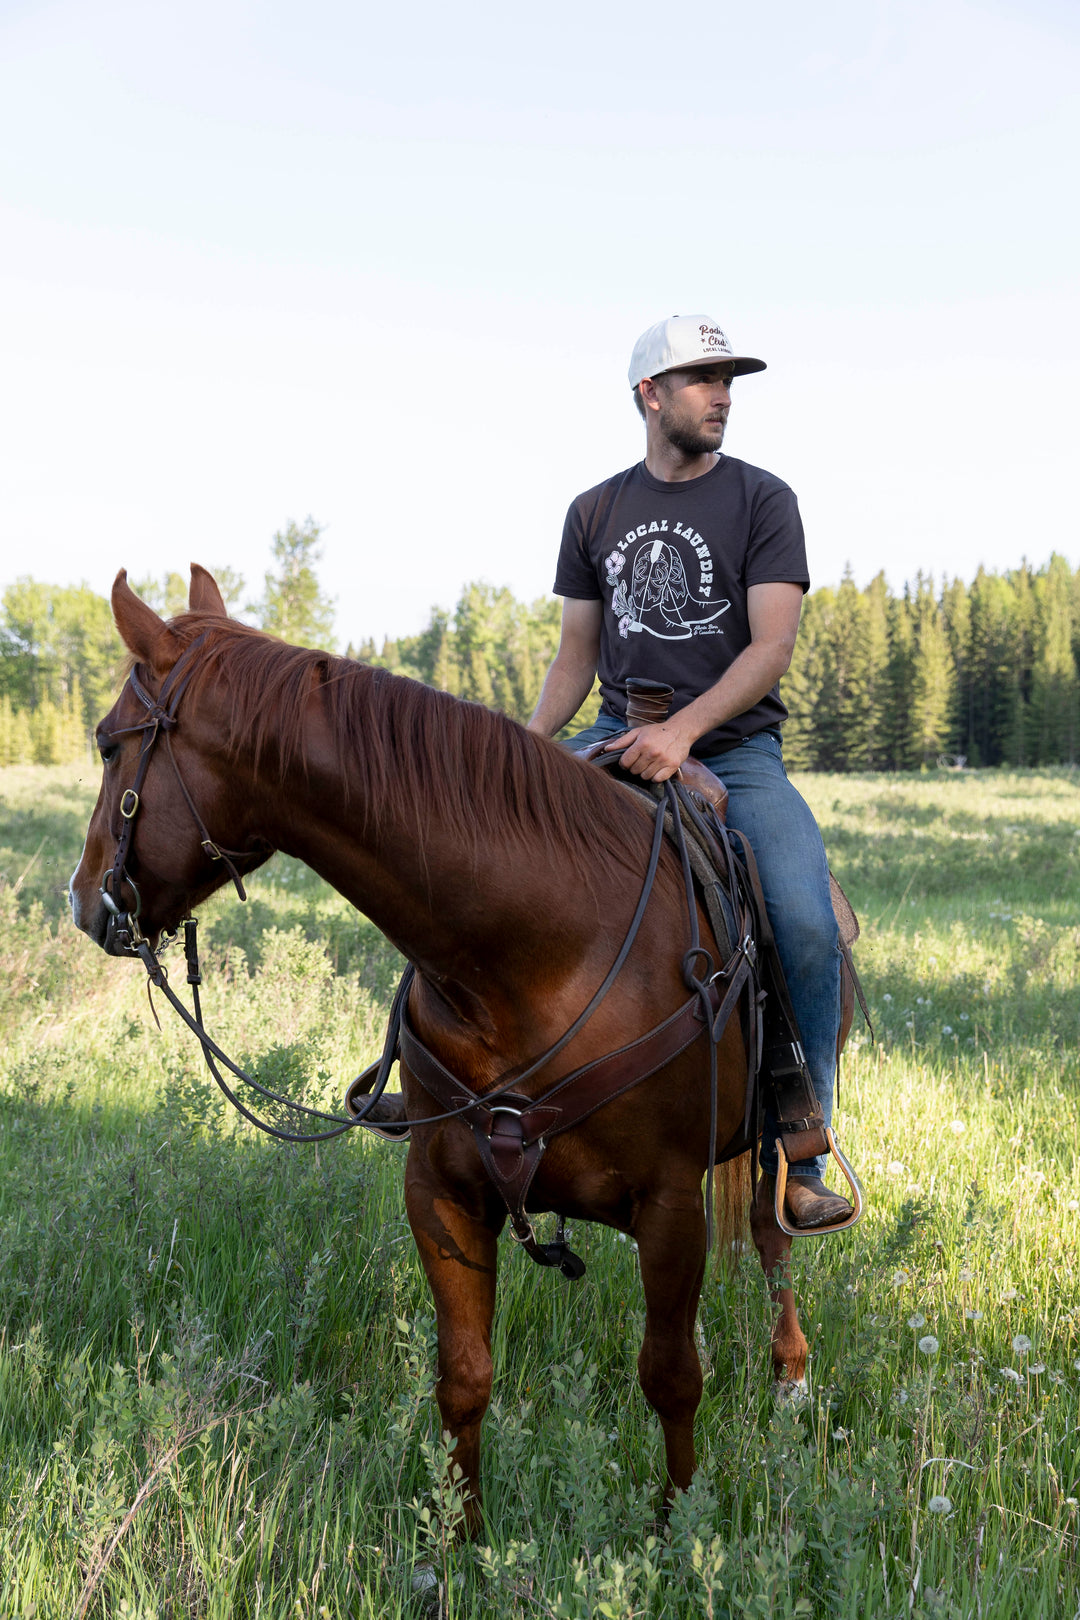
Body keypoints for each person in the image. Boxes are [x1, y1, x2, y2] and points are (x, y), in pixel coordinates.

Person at [526, 313, 851, 1230]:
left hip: (736, 753)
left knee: (804, 921)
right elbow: (575, 657)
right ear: (649, 395)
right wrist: (525, 748)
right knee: (479, 855)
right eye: (705, 380)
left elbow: (771, 648)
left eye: (729, 382)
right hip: (613, 736)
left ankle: (802, 1146)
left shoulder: (762, 500)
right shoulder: (594, 511)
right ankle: (452, 1088)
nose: (723, 397)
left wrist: (685, 734)